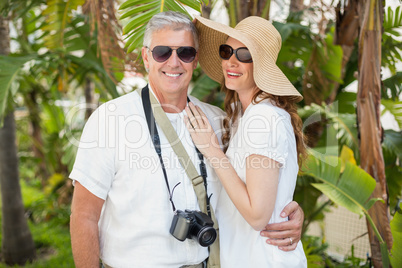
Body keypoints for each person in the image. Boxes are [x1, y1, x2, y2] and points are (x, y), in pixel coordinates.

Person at [69, 11, 304, 268]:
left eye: (185, 53)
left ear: (195, 61)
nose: (173, 62)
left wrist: (286, 211)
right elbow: (83, 216)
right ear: (147, 57)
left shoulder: (218, 121)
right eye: (162, 52)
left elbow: (257, 187)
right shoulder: (110, 119)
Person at [184, 16, 308, 267]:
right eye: (227, 50)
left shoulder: (264, 117)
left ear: (261, 65)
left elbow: (258, 215)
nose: (231, 60)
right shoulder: (246, 115)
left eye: (244, 54)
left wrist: (212, 150)